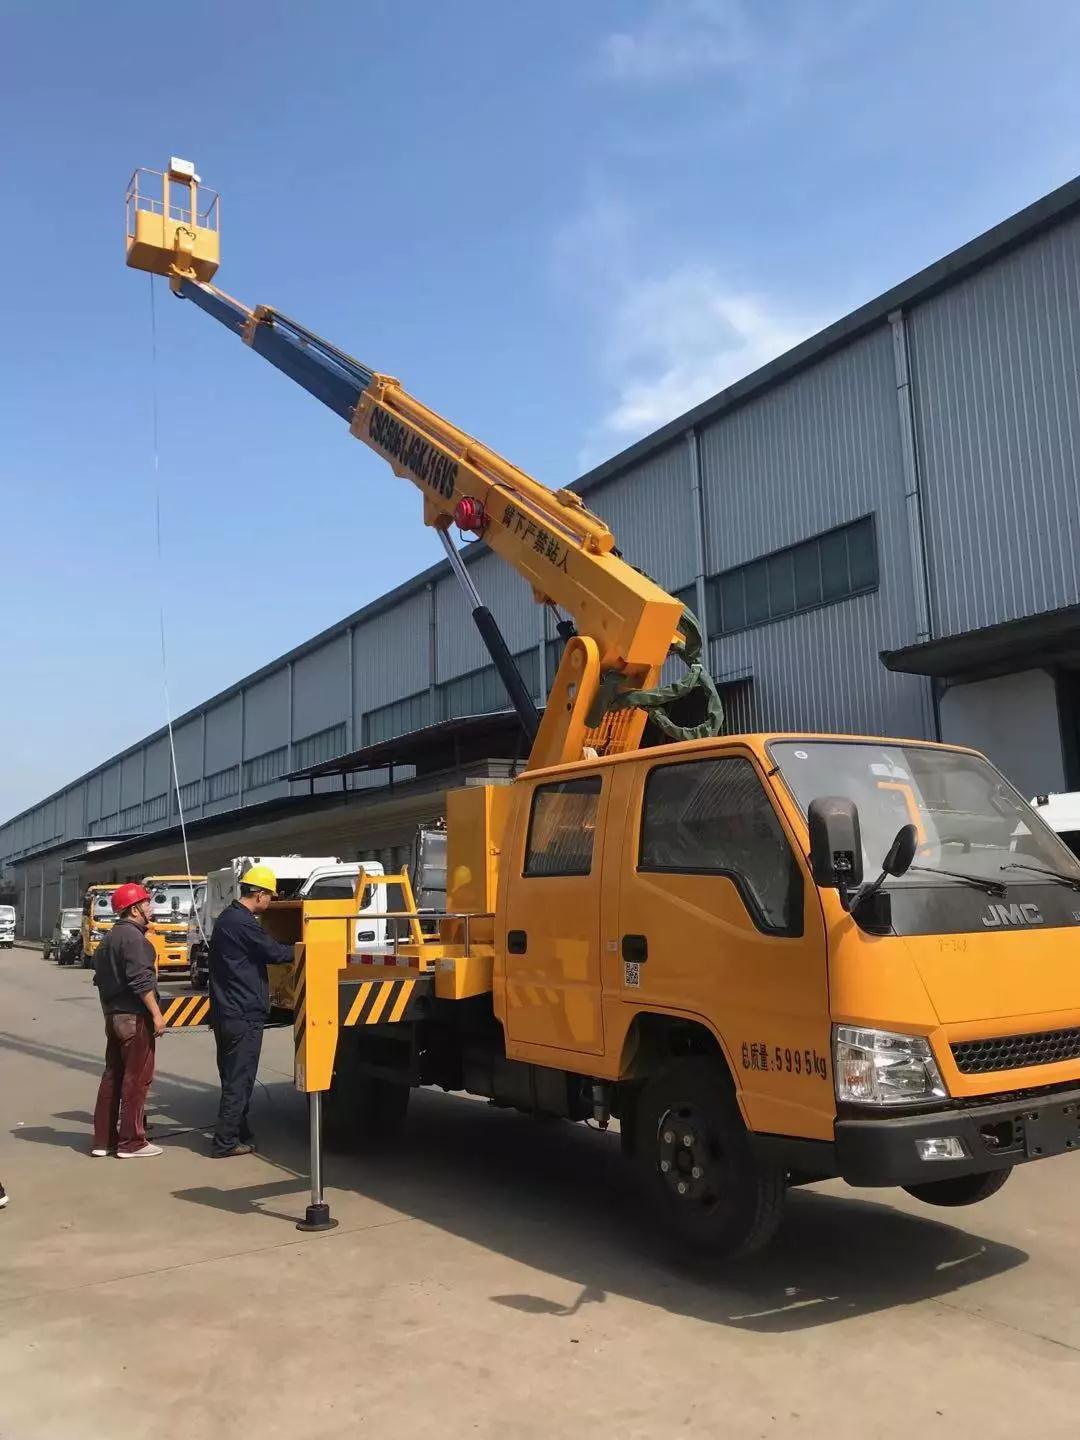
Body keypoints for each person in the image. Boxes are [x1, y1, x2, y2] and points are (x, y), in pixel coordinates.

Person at [208, 865, 294, 1158]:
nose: (271, 900)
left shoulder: (228, 918)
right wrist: (305, 948)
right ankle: (225, 1142)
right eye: (270, 895)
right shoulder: (243, 923)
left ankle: (238, 1131)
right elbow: (275, 953)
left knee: (233, 1077)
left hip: (228, 1012)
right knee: (239, 1080)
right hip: (242, 1014)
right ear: (258, 894)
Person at [92, 882, 166, 1158]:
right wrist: (156, 1015)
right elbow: (141, 981)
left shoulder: (107, 940)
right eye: (147, 903)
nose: (151, 907)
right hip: (135, 1018)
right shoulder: (135, 939)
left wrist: (109, 1016)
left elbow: (100, 982)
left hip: (113, 1017)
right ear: (134, 910)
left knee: (112, 1077)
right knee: (137, 1080)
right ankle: (132, 1143)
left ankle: (103, 1141)